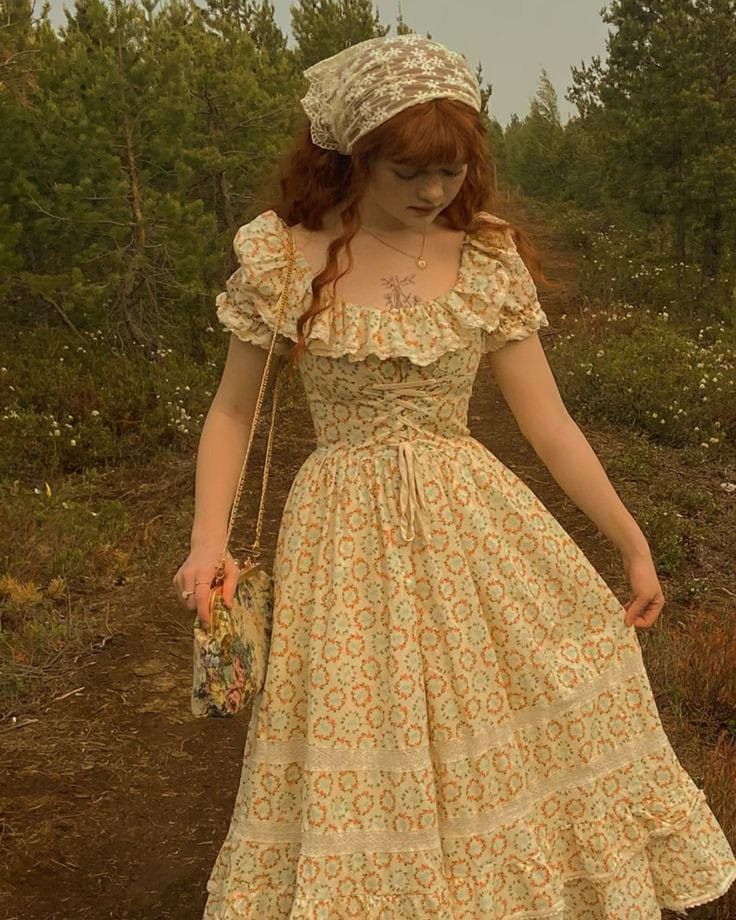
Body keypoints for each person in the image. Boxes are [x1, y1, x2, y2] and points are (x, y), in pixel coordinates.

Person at [174, 33, 736, 919]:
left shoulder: (484, 259)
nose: (435, 192)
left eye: (451, 170)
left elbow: (548, 423)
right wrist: (207, 541)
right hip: (341, 535)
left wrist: (630, 541)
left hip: (474, 522)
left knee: (504, 712)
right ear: (355, 156)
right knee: (365, 727)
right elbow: (233, 413)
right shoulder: (286, 259)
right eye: (410, 172)